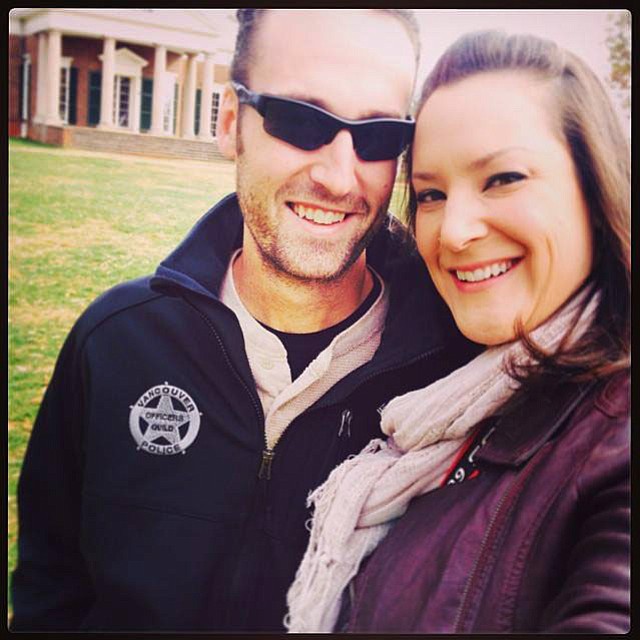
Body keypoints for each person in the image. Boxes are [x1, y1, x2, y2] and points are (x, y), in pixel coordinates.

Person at [10, 9, 479, 632]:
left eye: (378, 134)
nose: (339, 178)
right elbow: (51, 586)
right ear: (231, 123)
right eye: (299, 119)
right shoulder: (116, 342)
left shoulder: (457, 377)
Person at [286, 30, 630, 634]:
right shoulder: (448, 389)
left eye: (503, 179)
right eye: (432, 194)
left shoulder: (615, 438)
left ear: (593, 185)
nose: (453, 232)